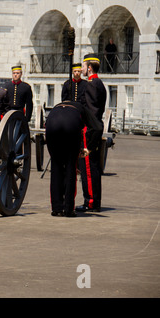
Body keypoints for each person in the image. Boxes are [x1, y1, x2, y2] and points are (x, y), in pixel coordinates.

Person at [45, 100, 103, 217]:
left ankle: (56, 208)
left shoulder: (57, 106)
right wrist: (89, 148)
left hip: (52, 124)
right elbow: (97, 128)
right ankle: (68, 209)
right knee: (71, 167)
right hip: (70, 126)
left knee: (56, 166)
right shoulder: (82, 109)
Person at [76, 53, 107, 213]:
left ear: (89, 68)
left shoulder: (92, 84)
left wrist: (89, 134)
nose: (81, 69)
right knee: (91, 168)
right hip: (92, 129)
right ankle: (93, 200)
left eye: (83, 66)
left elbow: (92, 112)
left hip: (89, 130)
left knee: (88, 168)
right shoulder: (98, 83)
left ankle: (91, 202)